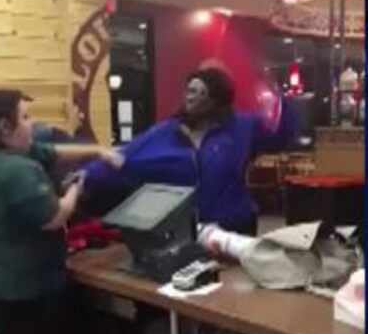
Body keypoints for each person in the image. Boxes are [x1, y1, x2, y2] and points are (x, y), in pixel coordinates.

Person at [0, 89, 123, 334]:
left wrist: (98, 150)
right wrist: (76, 187)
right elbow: (54, 218)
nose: (35, 124)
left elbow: (54, 151)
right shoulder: (15, 170)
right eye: (26, 117)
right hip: (28, 291)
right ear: (3, 127)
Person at [83, 67, 296, 235]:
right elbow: (125, 156)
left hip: (235, 226)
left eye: (199, 92)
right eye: (189, 91)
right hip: (185, 229)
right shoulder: (166, 131)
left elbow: (280, 138)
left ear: (216, 99)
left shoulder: (242, 127)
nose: (190, 97)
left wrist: (283, 100)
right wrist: (87, 175)